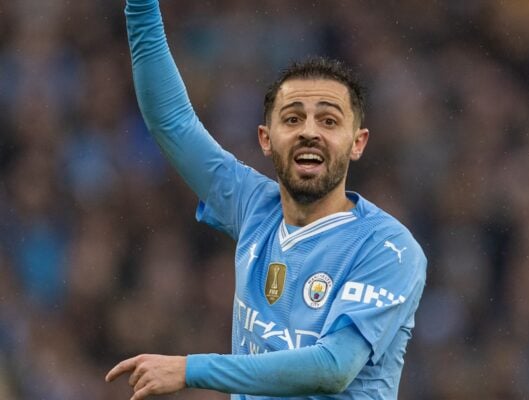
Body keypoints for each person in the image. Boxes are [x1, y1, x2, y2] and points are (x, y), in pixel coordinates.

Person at [105, 1, 427, 399]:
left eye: (329, 121)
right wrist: (140, 6)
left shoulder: (389, 249)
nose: (310, 132)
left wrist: (192, 369)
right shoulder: (253, 206)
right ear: (266, 139)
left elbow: (333, 367)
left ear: (357, 142)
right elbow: (170, 120)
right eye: (292, 119)